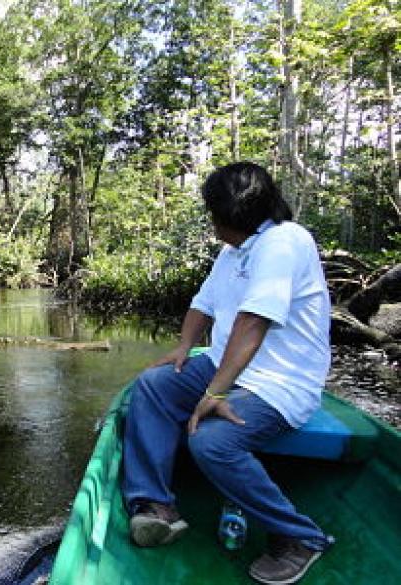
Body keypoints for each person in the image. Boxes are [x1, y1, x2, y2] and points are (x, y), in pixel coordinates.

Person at [121, 162, 333, 584]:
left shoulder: (285, 241)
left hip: (278, 382)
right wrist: (184, 347)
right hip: (223, 365)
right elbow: (203, 303)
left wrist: (216, 393)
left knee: (212, 442)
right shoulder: (234, 250)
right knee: (153, 385)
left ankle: (299, 537)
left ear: (233, 217)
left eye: (215, 214)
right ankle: (156, 506)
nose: (213, 223)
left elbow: (253, 321)